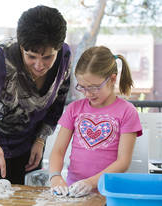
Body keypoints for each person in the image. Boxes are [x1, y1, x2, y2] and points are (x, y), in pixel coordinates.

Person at [0, 5, 71, 184]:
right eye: (31, 56)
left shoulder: (64, 56)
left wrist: (40, 140)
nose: (39, 65)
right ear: (21, 46)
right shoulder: (3, 55)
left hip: (29, 141)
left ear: (58, 49)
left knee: (29, 198)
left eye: (47, 57)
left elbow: (56, 106)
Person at [49, 46, 142, 197]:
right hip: (74, 192)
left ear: (112, 79)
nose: (87, 93)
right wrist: (55, 176)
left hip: (109, 192)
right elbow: (58, 151)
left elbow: (123, 162)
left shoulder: (127, 112)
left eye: (94, 87)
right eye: (82, 87)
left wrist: (90, 182)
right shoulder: (74, 109)